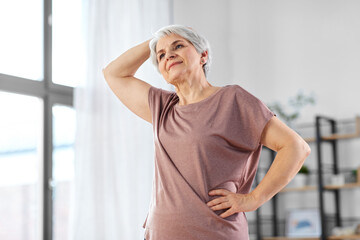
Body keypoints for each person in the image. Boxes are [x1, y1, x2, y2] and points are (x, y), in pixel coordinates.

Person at [103, 25, 311, 240]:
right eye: (161, 55)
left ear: (203, 56)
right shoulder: (161, 107)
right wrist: (156, 40)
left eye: (179, 46)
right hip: (161, 232)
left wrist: (253, 199)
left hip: (216, 232)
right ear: (163, 72)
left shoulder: (233, 100)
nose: (169, 55)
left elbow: (296, 147)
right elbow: (114, 74)